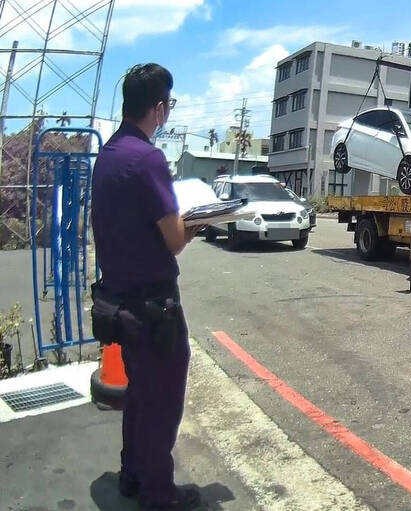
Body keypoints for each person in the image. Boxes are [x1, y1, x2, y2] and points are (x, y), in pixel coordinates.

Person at [91, 63, 202, 510]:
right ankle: (158, 493)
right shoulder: (148, 158)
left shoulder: (110, 154)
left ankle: (133, 474)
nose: (167, 112)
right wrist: (197, 223)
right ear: (158, 108)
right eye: (168, 105)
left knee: (140, 392)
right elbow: (173, 240)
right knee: (162, 399)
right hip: (155, 305)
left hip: (119, 301)